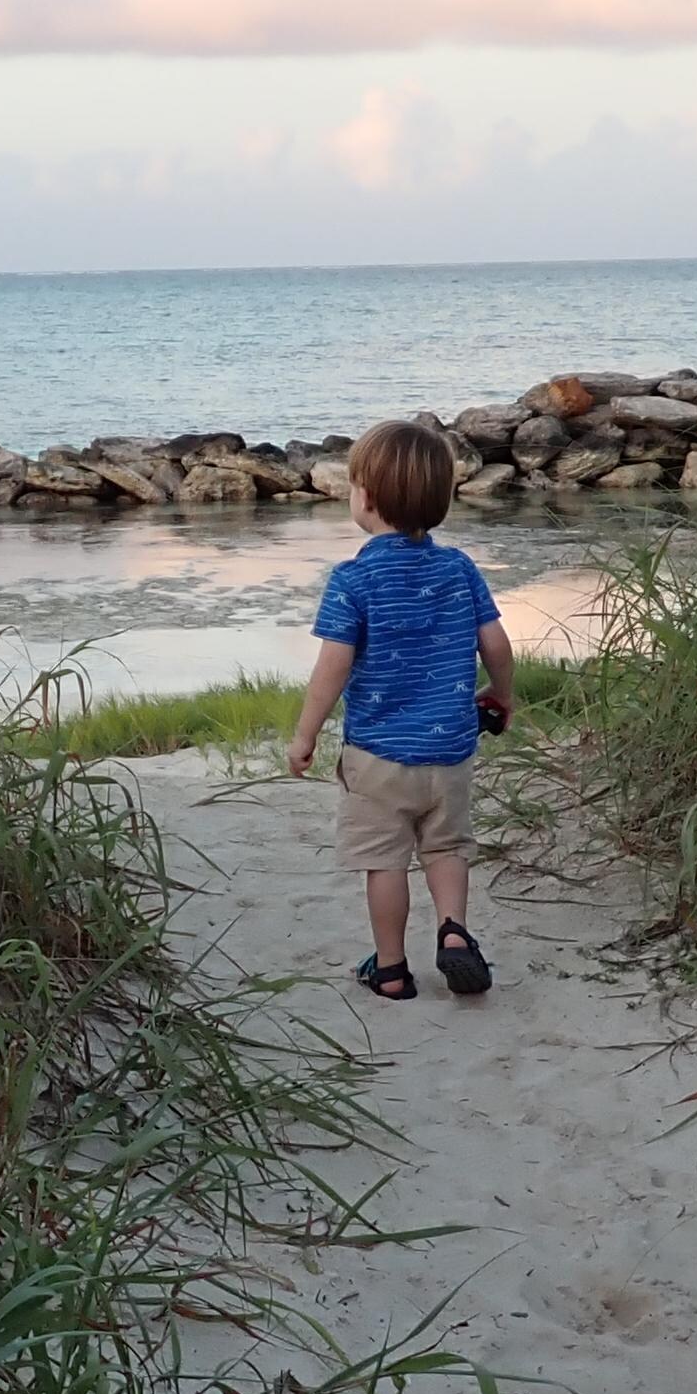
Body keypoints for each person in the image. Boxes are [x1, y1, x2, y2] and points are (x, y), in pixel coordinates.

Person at [283, 417, 515, 1000]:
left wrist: (305, 736)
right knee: (446, 847)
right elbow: (495, 642)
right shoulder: (459, 568)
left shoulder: (353, 579)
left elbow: (332, 667)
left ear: (365, 498)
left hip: (378, 755)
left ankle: (390, 969)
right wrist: (502, 693)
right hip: (451, 751)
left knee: (385, 861)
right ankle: (454, 932)